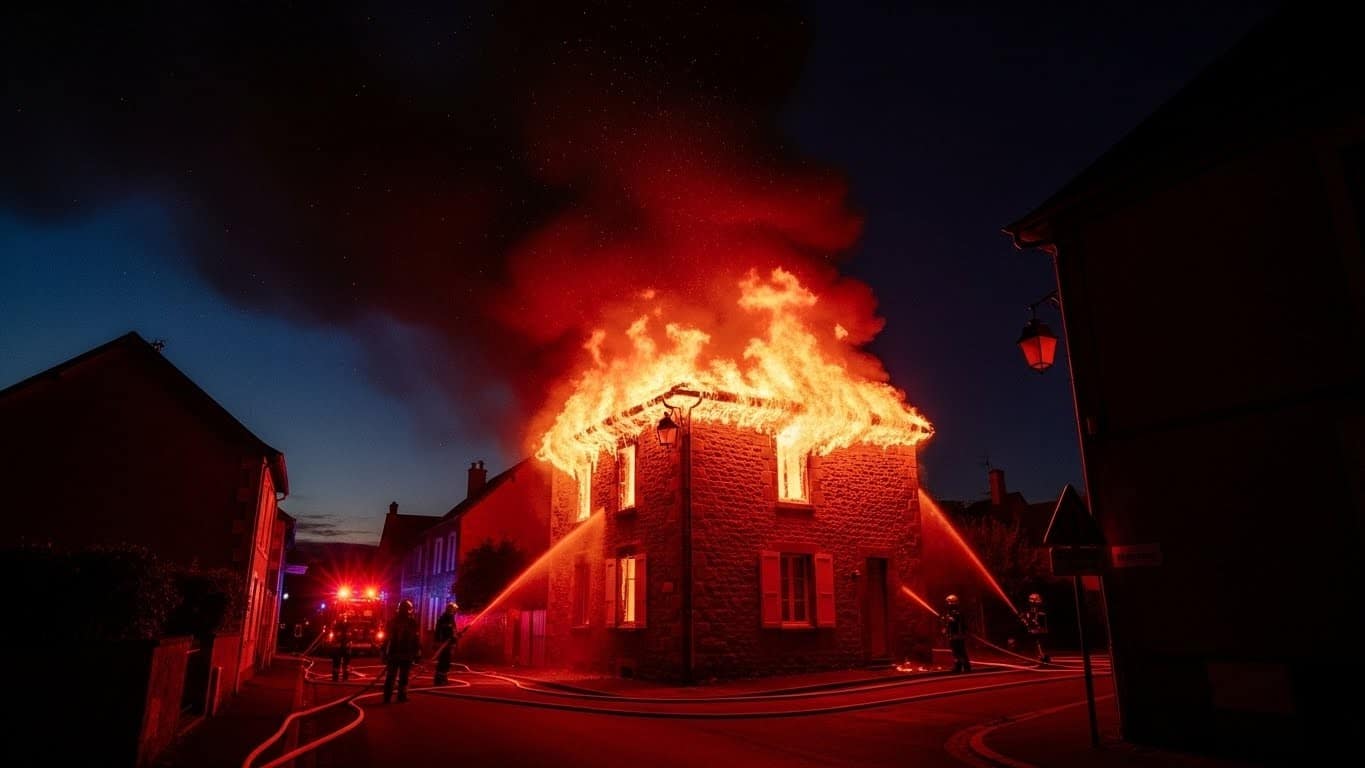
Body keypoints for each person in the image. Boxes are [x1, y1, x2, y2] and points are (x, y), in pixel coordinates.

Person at [382, 599, 422, 703]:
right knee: (403, 676)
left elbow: (386, 639)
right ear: (410, 610)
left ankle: (387, 697)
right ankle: (401, 696)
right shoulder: (412, 622)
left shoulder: (392, 622)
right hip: (405, 654)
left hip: (394, 654)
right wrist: (417, 652)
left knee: (391, 676)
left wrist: (384, 653)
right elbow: (415, 639)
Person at [940, 594, 971, 673]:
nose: (948, 604)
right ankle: (958, 667)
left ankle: (966, 667)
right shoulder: (951, 612)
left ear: (953, 602)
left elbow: (957, 622)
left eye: (949, 602)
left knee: (961, 651)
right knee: (956, 652)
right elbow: (949, 623)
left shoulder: (958, 612)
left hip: (958, 635)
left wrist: (950, 620)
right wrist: (946, 629)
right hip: (953, 635)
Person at [1018, 592, 1051, 665]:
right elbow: (1027, 617)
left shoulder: (1040, 610)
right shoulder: (1031, 609)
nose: (1032, 601)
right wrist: (1024, 618)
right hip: (1034, 629)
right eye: (1031, 599)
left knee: (1038, 643)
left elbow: (1040, 618)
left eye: (1033, 599)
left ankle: (1042, 657)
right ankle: (1039, 656)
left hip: (1039, 629)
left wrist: (1035, 623)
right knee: (1034, 643)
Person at [433, 602, 458, 685]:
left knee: (446, 662)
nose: (455, 612)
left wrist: (456, 637)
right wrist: (438, 642)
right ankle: (439, 680)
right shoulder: (443, 619)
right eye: (454, 610)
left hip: (449, 644)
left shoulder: (450, 618)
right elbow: (439, 631)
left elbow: (453, 631)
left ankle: (443, 678)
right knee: (443, 661)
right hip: (444, 644)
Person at [330, 616, 352, 682]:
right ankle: (342, 677)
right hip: (341, 649)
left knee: (342, 664)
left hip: (341, 649)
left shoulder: (338, 628)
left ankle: (338, 677)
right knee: (343, 664)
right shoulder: (346, 629)